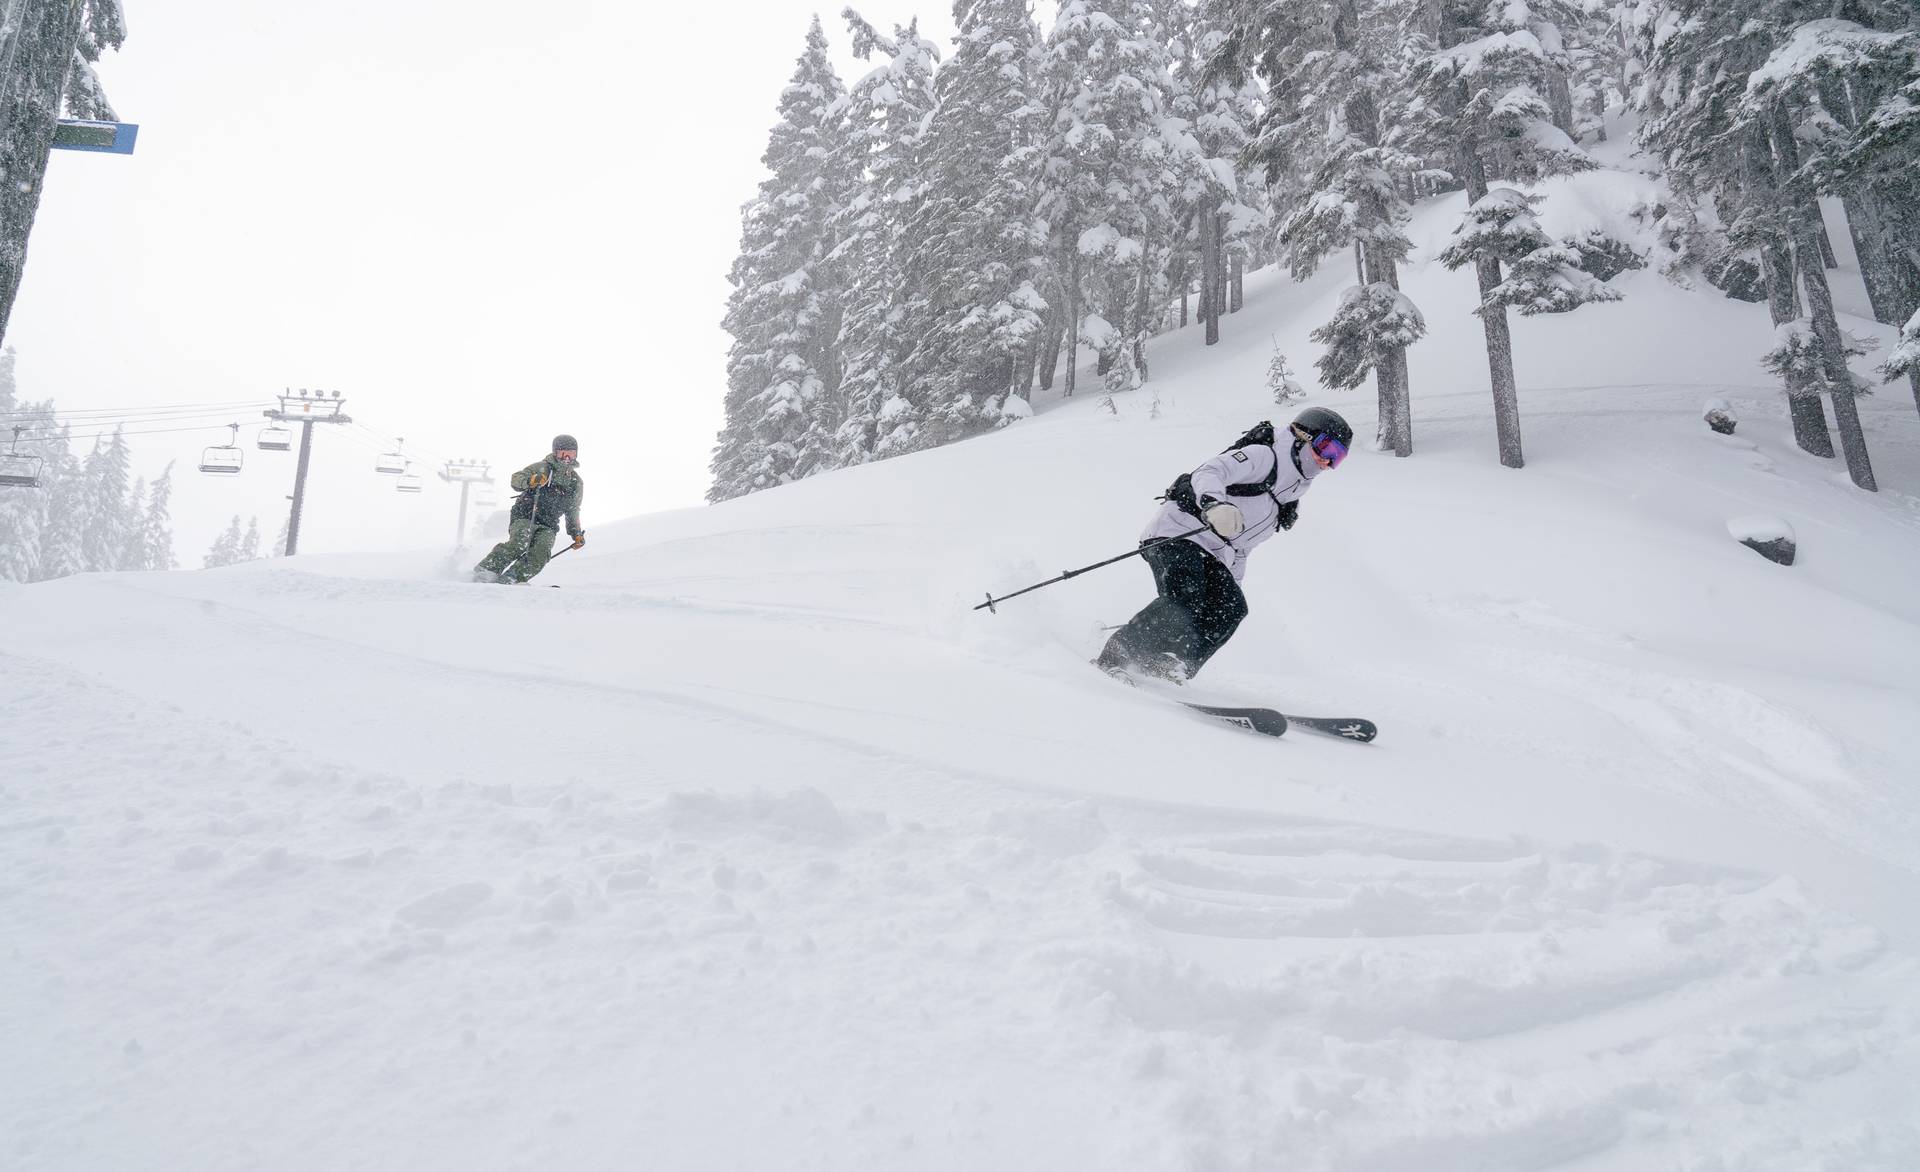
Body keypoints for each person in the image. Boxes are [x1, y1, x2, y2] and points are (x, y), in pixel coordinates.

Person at [1095, 406, 1353, 683]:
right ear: (1302, 436)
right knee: (1186, 598)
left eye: (1337, 458)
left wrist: (1229, 586)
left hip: (1215, 554)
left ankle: (1171, 662)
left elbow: (1242, 548)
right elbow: (1211, 471)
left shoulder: (1286, 501)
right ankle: (1115, 656)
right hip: (1180, 531)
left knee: (1232, 607)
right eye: (1326, 448)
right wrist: (1213, 504)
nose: (1327, 462)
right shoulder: (1265, 456)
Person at [472, 434, 586, 584]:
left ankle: (512, 578)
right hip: (526, 513)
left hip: (549, 523)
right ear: (555, 452)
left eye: (571, 454)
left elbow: (573, 509)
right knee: (520, 542)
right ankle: (487, 569)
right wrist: (530, 480)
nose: (567, 458)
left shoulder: (575, 482)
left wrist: (576, 533)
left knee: (542, 551)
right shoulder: (543, 468)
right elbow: (516, 478)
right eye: (563, 453)